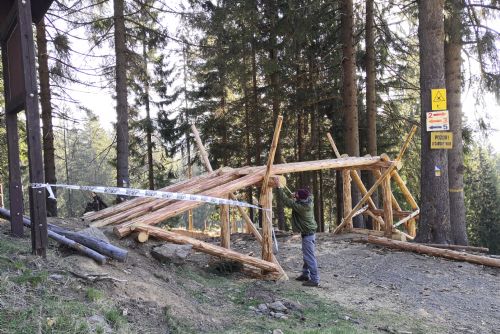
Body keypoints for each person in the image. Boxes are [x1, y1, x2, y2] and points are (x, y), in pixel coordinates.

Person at [276, 187, 320, 287]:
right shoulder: (309, 200)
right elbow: (309, 194)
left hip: (308, 235)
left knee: (309, 257)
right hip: (309, 234)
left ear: (300, 198)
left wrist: (279, 187)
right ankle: (305, 274)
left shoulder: (302, 207)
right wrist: (296, 195)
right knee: (307, 255)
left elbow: (287, 201)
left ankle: (315, 279)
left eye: (297, 195)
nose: (295, 195)